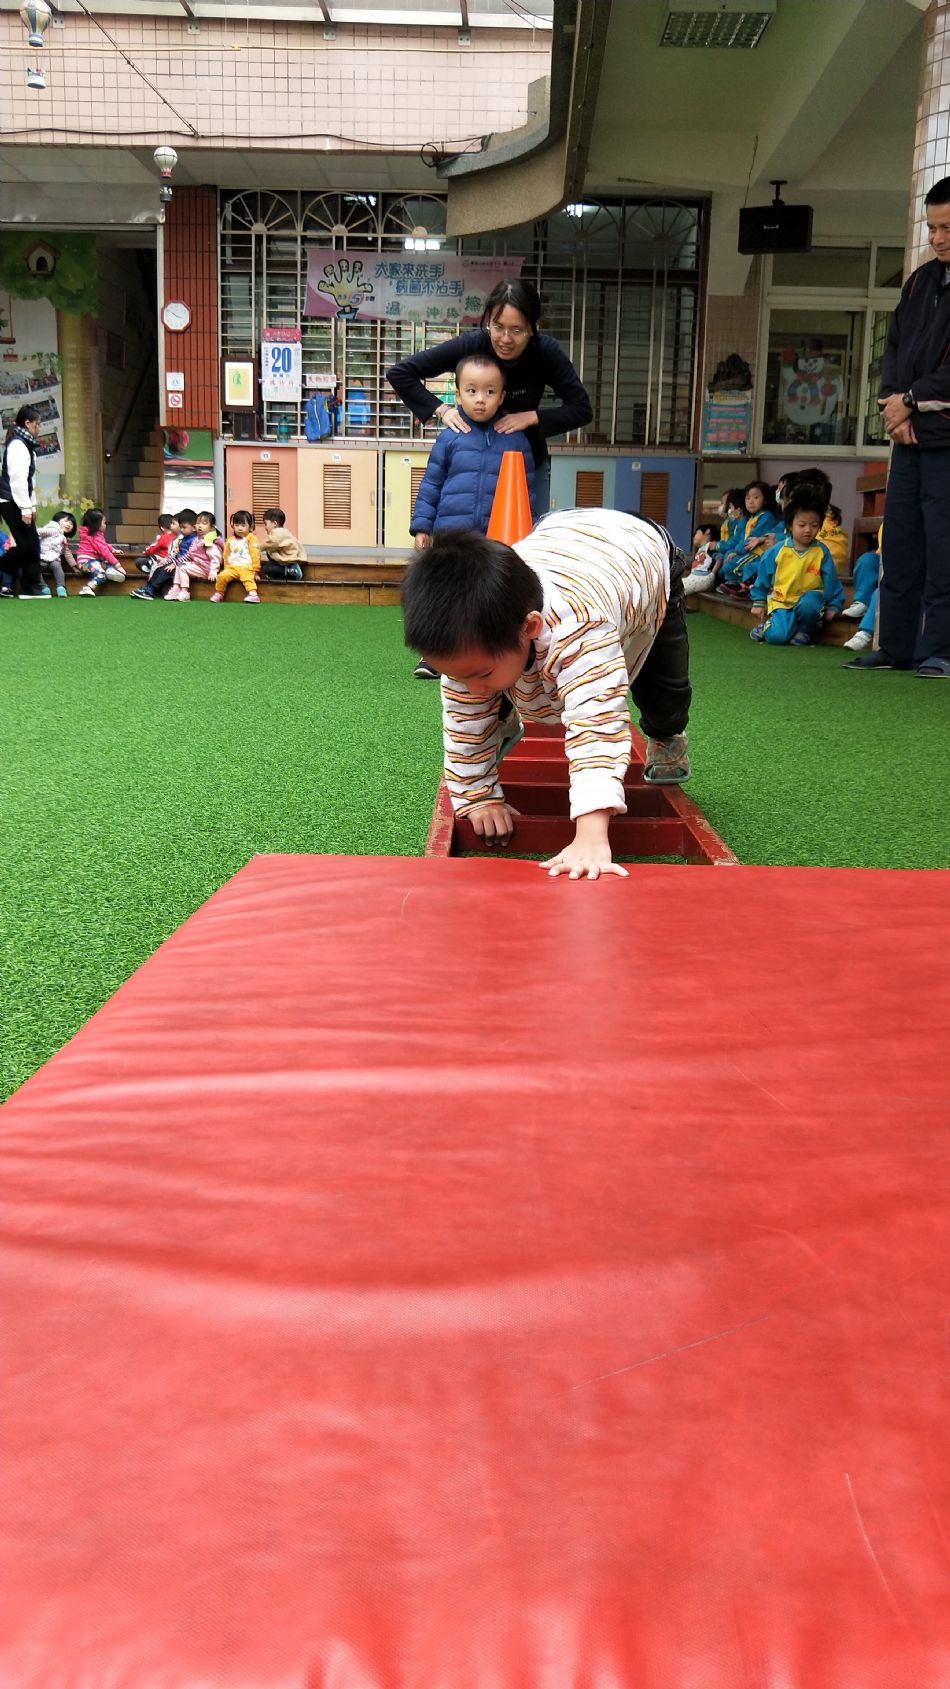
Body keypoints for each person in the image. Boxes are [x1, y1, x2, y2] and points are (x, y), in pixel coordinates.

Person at [401, 507, 692, 881]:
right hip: (559, 532)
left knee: (663, 690)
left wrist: (591, 835)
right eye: (458, 675)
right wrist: (477, 796)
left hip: (645, 555)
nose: (470, 687)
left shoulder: (581, 629)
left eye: (481, 673)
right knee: (485, 686)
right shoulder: (477, 637)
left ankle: (667, 734)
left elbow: (596, 724)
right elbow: (463, 719)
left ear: (530, 627)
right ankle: (502, 718)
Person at [848, 176, 950, 675]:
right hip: (909, 439)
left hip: (945, 439)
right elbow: (893, 348)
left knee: (944, 547)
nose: (937, 238)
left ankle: (942, 651)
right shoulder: (919, 282)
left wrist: (911, 400)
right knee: (902, 543)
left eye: (947, 228)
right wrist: (894, 405)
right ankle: (895, 648)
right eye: (932, 228)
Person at [386, 277, 592, 510]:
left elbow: (581, 409)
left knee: (530, 530)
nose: (505, 339)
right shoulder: (471, 345)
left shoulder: (545, 352)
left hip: (526, 463)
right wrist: (442, 410)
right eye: (498, 327)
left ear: (533, 327)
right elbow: (400, 373)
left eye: (517, 330)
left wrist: (530, 417)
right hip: (470, 465)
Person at [409, 353, 537, 677]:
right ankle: (433, 655)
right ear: (458, 394)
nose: (481, 399)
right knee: (445, 594)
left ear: (502, 396)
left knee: (490, 595)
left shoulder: (515, 438)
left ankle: (489, 651)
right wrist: (422, 526)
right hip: (451, 535)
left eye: (490, 392)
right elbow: (431, 483)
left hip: (496, 538)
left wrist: (532, 533)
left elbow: (526, 491)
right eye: (472, 391)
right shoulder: (451, 436)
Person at [749, 486, 844, 645]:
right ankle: (767, 627)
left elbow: (831, 580)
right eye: (802, 525)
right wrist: (758, 601)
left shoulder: (822, 551)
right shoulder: (777, 551)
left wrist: (834, 605)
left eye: (814, 525)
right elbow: (763, 576)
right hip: (782, 601)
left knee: (810, 603)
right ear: (789, 526)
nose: (808, 530)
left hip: (810, 601)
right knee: (778, 637)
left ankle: (805, 631)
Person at [0, 403, 46, 599]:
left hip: (18, 501)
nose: (39, 428)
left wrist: (31, 506)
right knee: (27, 546)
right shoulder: (18, 445)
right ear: (28, 423)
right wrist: (26, 508)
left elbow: (29, 481)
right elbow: (17, 480)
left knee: (32, 545)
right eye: (38, 423)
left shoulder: (26, 445)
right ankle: (30, 586)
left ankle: (31, 587)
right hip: (10, 501)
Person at [715, 481, 781, 595]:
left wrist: (738, 552)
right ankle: (733, 584)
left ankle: (743, 587)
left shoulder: (766, 516)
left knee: (734, 565)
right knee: (729, 562)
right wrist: (735, 551)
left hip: (758, 553)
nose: (751, 501)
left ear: (765, 500)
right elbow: (742, 539)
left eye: (756, 497)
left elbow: (751, 538)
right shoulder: (749, 518)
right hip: (748, 552)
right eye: (748, 498)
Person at [130, 508, 198, 600]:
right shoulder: (183, 538)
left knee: (165, 571)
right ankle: (149, 588)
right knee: (160, 567)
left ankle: (150, 590)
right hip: (178, 563)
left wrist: (174, 564)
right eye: (181, 527)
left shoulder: (194, 540)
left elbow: (188, 556)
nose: (181, 530)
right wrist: (166, 561)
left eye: (184, 527)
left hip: (185, 566)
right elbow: (176, 553)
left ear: (194, 527)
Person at [167, 510, 223, 600]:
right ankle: (176, 588)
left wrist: (213, 572)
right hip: (198, 565)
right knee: (180, 565)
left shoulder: (208, 541)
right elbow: (190, 553)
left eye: (204, 523)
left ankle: (184, 591)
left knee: (182, 568)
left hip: (206, 569)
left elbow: (215, 558)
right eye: (198, 523)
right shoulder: (197, 539)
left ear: (212, 527)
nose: (200, 526)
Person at [210, 509, 261, 603]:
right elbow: (226, 555)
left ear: (250, 526)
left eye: (243, 525)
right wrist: (226, 568)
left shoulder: (251, 538)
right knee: (222, 576)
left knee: (247, 578)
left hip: (246, 567)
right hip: (232, 568)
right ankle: (219, 593)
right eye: (237, 525)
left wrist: (255, 570)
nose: (239, 528)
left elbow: (255, 554)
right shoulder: (230, 540)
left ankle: (253, 594)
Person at [76, 509, 126, 597]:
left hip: (93, 560)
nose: (105, 525)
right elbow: (104, 551)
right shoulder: (94, 536)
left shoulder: (93, 534)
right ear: (97, 525)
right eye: (104, 523)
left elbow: (103, 545)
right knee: (101, 575)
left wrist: (113, 550)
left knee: (104, 563)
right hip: (86, 562)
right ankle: (87, 588)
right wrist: (118, 565)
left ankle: (110, 570)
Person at [37, 509, 78, 597]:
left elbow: (67, 553)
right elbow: (38, 531)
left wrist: (74, 566)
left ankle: (61, 587)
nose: (69, 524)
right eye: (66, 521)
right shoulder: (52, 530)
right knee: (35, 570)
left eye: (71, 524)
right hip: (41, 557)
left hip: (54, 559)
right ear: (57, 520)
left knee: (57, 567)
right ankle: (43, 587)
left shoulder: (63, 538)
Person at [258, 507, 306, 582]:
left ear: (274, 524)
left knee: (266, 569)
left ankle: (292, 571)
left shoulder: (277, 533)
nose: (265, 527)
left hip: (289, 562)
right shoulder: (284, 532)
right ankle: (285, 573)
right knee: (270, 555)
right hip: (287, 562)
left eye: (266, 524)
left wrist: (257, 547)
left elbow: (269, 543)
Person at [682, 521, 720, 596]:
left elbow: (720, 558)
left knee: (678, 589)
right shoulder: (701, 549)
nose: (693, 537)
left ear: (707, 531)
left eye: (696, 533)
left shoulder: (711, 545)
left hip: (704, 577)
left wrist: (712, 574)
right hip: (694, 577)